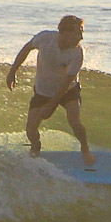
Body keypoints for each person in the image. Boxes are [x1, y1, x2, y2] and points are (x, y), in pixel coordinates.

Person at [6, 15, 94, 168]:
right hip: (43, 90)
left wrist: (51, 105)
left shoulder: (77, 52)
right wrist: (13, 71)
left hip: (68, 90)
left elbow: (67, 82)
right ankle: (36, 147)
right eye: (77, 33)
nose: (81, 37)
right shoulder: (45, 39)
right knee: (30, 129)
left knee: (75, 122)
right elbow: (27, 48)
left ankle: (85, 149)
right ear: (64, 32)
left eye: (81, 33)